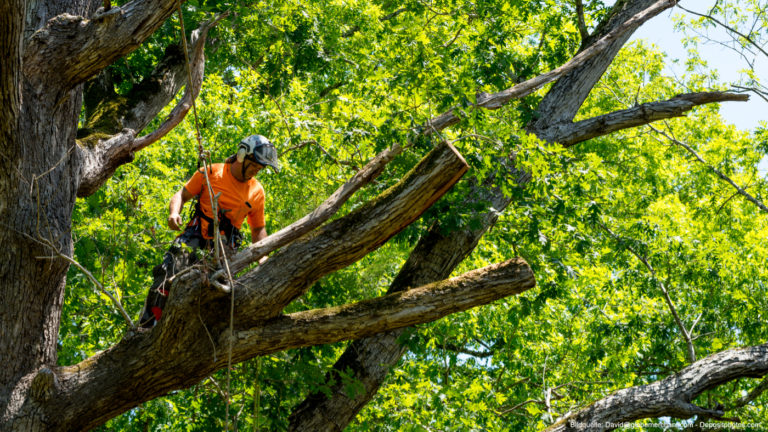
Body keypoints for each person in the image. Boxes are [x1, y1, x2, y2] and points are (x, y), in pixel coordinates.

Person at [138, 134, 280, 329]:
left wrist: (263, 257)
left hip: (225, 247)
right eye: (254, 165)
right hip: (196, 235)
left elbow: (258, 229)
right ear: (241, 155)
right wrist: (173, 213)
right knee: (167, 274)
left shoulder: (257, 192)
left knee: (218, 293)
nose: (256, 171)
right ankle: (147, 325)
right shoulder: (211, 172)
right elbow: (182, 194)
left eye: (260, 168)